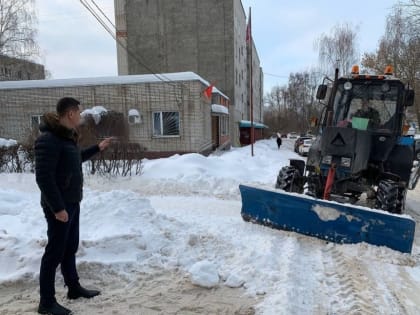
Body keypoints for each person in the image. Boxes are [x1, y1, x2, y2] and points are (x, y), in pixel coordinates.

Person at [35, 97, 113, 315]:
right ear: (70, 114)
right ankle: (46, 302)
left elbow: (75, 158)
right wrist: (58, 209)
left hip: (72, 201)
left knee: (70, 247)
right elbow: (43, 177)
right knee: (54, 252)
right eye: (78, 112)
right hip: (58, 207)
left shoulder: (66, 138)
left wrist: (97, 147)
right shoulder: (49, 139)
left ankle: (74, 288)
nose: (80, 115)